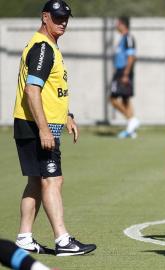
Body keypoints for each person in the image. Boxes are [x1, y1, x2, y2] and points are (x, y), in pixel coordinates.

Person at [12, 0, 96, 256]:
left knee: (37, 181)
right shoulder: (43, 48)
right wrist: (44, 130)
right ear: (44, 17)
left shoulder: (47, 47)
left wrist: (66, 115)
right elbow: (32, 90)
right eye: (58, 17)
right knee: (52, 180)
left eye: (66, 18)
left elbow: (51, 91)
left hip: (36, 124)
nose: (63, 22)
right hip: (37, 126)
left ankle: (24, 237)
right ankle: (63, 240)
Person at [110, 16, 140, 139]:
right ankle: (131, 130)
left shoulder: (128, 38)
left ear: (123, 24)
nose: (116, 25)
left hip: (123, 72)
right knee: (125, 100)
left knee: (112, 98)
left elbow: (131, 57)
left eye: (117, 23)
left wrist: (126, 74)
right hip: (120, 71)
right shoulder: (122, 38)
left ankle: (132, 120)